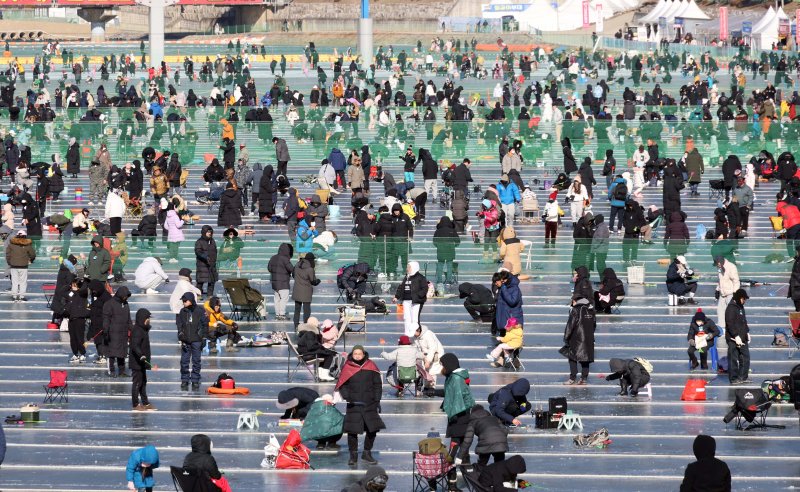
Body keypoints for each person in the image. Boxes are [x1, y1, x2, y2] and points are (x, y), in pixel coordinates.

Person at [424, 353, 474, 492]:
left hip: (459, 421)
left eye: (443, 365)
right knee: (463, 454)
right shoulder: (454, 377)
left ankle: (441, 481)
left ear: (449, 365)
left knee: (452, 455)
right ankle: (463, 483)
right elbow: (449, 392)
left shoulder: (456, 379)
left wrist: (451, 414)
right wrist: (433, 392)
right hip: (460, 420)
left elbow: (457, 401)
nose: (442, 367)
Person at [335, 345, 385, 466]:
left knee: (372, 429)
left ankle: (367, 453)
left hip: (369, 402)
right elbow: (342, 384)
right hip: (354, 404)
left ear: (363, 354)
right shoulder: (347, 367)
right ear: (352, 354)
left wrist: (377, 400)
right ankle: (353, 455)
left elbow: (377, 385)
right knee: (352, 431)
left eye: (359, 353)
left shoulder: (371, 366)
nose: (357, 356)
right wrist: (347, 396)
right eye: (355, 353)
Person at [562, 295, 596, 385]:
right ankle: (584, 378)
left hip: (576, 338)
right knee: (585, 359)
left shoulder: (576, 310)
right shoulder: (591, 309)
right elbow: (594, 325)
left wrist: (566, 337)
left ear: (575, 301)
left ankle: (572, 378)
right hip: (589, 338)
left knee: (572, 358)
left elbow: (570, 325)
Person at [177, 292, 207, 391]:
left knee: (196, 361)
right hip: (186, 340)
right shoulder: (182, 311)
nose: (184, 302)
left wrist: (203, 338)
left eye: (185, 301)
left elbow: (205, 324)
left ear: (191, 300)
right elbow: (179, 325)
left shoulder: (200, 311)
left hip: (197, 340)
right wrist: (180, 335)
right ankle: (185, 379)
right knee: (184, 361)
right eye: (183, 301)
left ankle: (195, 380)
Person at [393, 261, 429, 337]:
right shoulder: (407, 277)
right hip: (406, 300)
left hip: (415, 301)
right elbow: (401, 287)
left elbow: (425, 288)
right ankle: (407, 334)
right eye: (407, 267)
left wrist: (418, 295)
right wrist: (397, 296)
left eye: (409, 267)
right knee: (407, 317)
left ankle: (413, 334)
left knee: (414, 318)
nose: (407, 269)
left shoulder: (420, 277)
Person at [103, 286, 132, 378]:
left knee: (122, 353)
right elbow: (106, 319)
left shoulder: (126, 304)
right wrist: (106, 330)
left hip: (123, 332)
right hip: (112, 332)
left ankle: (121, 371)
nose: (126, 298)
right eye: (125, 296)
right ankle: (111, 370)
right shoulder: (109, 304)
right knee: (112, 353)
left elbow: (129, 320)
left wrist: (133, 330)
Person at [297, 317, 337, 381]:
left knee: (326, 353)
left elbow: (313, 345)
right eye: (317, 323)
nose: (318, 325)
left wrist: (323, 349)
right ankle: (323, 374)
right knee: (329, 355)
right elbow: (312, 347)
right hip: (307, 355)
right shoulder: (310, 333)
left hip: (305, 353)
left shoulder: (305, 332)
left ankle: (321, 374)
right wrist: (323, 349)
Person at [130, 309, 154, 411]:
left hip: (142, 362)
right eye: (147, 318)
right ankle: (135, 404)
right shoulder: (137, 330)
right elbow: (135, 345)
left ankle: (145, 402)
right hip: (137, 361)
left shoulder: (143, 329)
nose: (148, 320)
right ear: (142, 319)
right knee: (137, 383)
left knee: (143, 382)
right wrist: (141, 355)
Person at [725, 288, 751, 384]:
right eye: (744, 299)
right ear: (739, 298)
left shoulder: (740, 307)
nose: (744, 301)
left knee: (745, 357)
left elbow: (744, 321)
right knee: (733, 358)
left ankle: (743, 376)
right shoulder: (731, 308)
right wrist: (736, 336)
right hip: (733, 338)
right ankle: (733, 378)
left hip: (743, 337)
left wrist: (747, 332)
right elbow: (730, 323)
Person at [64, 278, 89, 362]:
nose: (72, 287)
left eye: (74, 285)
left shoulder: (82, 294)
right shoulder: (70, 294)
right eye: (72, 285)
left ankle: (82, 353)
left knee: (79, 337)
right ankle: (75, 353)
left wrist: (84, 282)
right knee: (73, 338)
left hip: (80, 318)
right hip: (71, 318)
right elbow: (62, 292)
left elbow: (84, 289)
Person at [5, 229, 35, 302]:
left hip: (13, 265)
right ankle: (22, 296)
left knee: (14, 281)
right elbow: (33, 254)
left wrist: (9, 262)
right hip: (23, 266)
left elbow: (8, 255)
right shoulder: (28, 245)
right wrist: (31, 260)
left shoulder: (11, 245)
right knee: (23, 282)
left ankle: (14, 296)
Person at [292, 252, 320, 328]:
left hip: (297, 290)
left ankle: (296, 325)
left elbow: (293, 275)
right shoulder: (310, 269)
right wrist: (318, 281)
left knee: (297, 310)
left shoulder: (297, 265)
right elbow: (313, 281)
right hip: (306, 292)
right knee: (306, 310)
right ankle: (306, 325)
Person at [715, 255, 740, 335]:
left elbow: (736, 281)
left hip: (730, 293)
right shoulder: (719, 267)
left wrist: (735, 293)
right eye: (717, 263)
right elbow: (720, 280)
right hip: (723, 293)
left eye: (719, 263)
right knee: (720, 310)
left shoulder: (731, 267)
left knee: (731, 312)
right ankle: (722, 329)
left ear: (722, 261)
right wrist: (717, 289)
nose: (718, 265)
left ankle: (733, 329)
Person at [268, 243, 294, 320]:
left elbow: (269, 268)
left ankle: (277, 314)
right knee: (284, 299)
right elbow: (291, 269)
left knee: (277, 299)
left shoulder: (273, 257)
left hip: (275, 283)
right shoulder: (285, 259)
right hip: (283, 282)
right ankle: (282, 314)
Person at [432, 216, 460, 286]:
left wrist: (438, 246)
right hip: (450, 249)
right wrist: (454, 246)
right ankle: (449, 280)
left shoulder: (438, 231)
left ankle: (439, 280)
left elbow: (434, 241)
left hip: (441, 249)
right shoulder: (452, 230)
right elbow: (458, 240)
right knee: (449, 265)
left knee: (440, 265)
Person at [495, 270, 524, 335]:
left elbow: (512, 302)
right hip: (504, 319)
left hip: (512, 319)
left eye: (503, 281)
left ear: (507, 279)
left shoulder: (514, 288)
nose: (501, 282)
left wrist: (503, 287)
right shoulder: (504, 287)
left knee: (512, 339)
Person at [194, 226, 218, 299]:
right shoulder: (199, 241)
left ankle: (210, 294)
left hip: (212, 264)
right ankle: (198, 294)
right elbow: (198, 251)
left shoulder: (212, 241)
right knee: (200, 280)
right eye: (208, 232)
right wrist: (205, 257)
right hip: (203, 264)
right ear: (204, 232)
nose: (209, 233)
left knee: (212, 280)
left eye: (210, 232)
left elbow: (215, 250)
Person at [788, 245, 800, 311]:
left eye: (797, 252)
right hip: (795, 284)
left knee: (798, 303)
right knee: (796, 302)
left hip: (797, 285)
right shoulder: (797, 259)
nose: (796, 253)